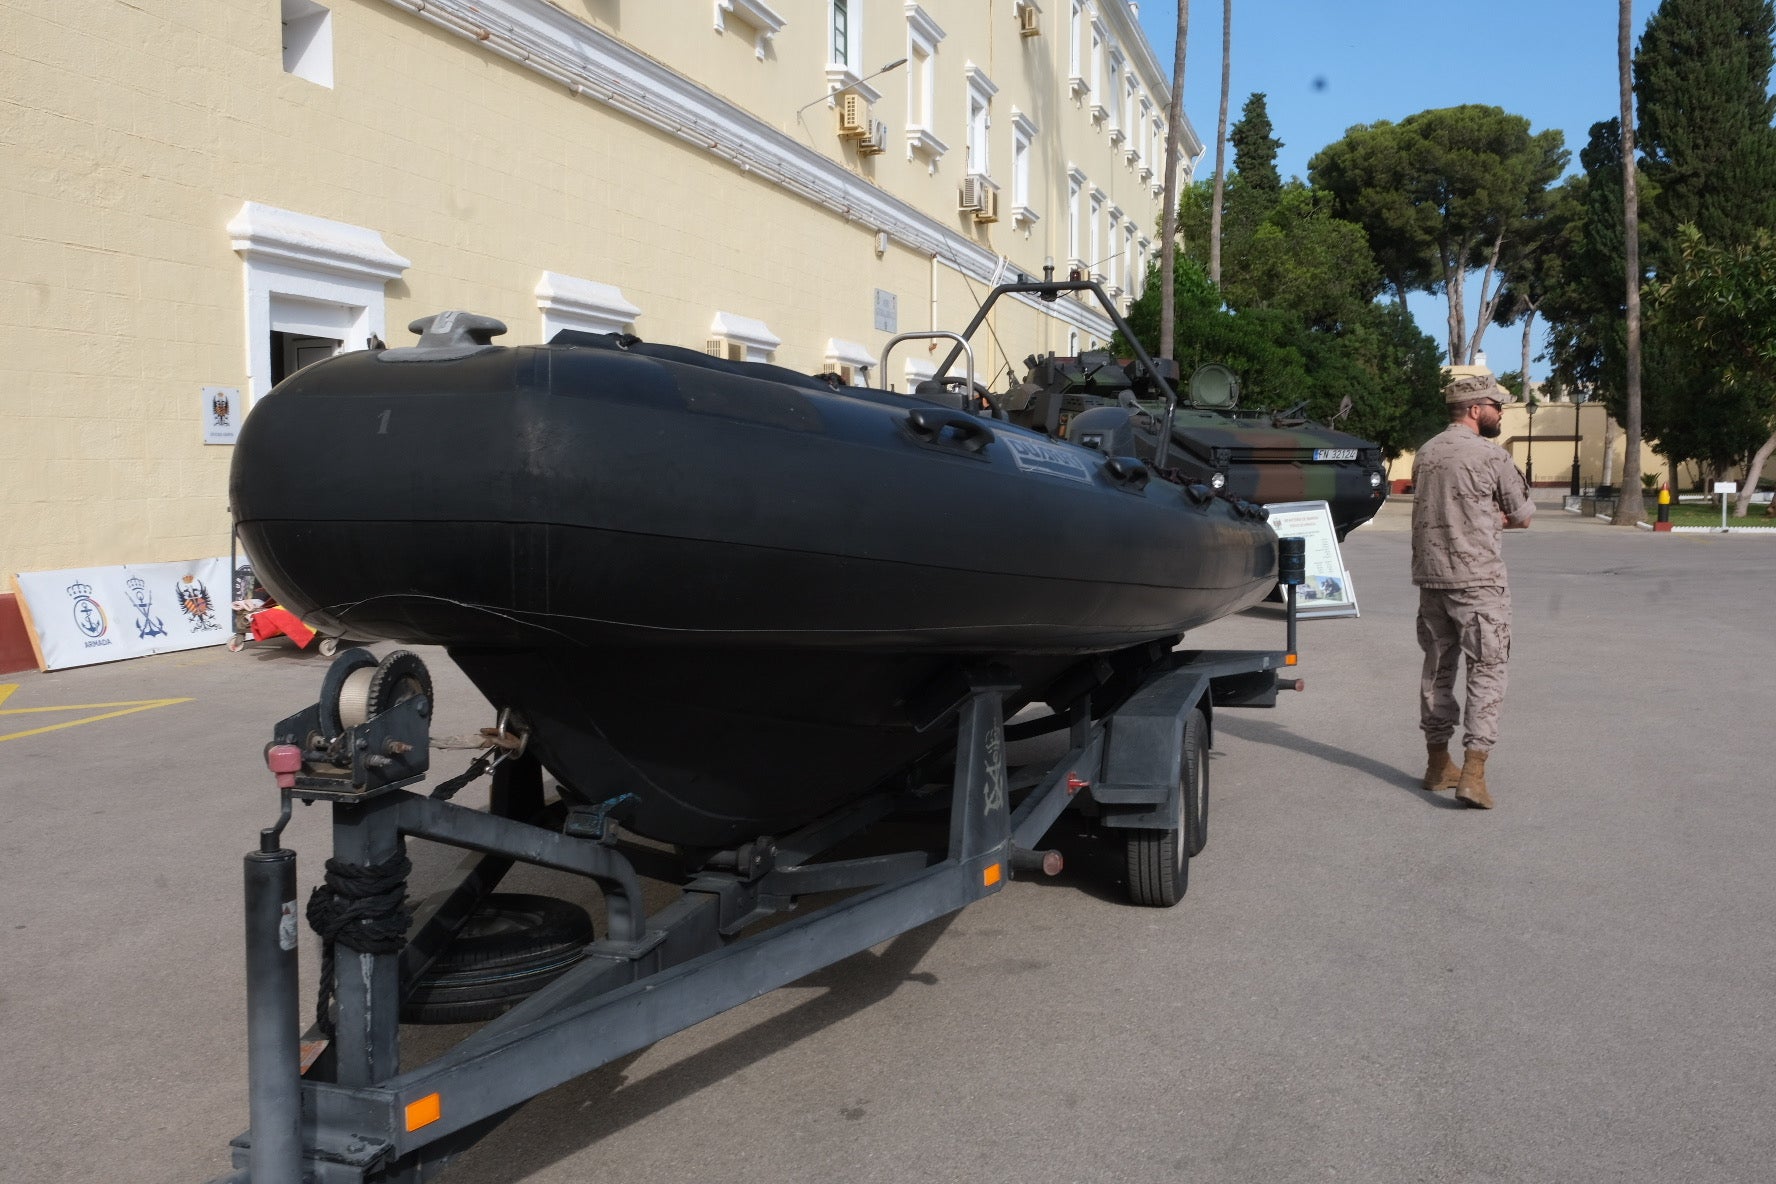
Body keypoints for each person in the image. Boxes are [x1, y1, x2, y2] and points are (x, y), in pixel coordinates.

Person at [1412, 366, 1534, 809]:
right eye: (1497, 406)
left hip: (1431, 580)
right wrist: (1493, 518)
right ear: (1476, 409)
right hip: (1478, 582)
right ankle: (1474, 774)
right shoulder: (1490, 455)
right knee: (1487, 670)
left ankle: (1437, 763)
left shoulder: (1425, 453)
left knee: (1438, 670)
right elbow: (1521, 514)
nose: (1500, 413)